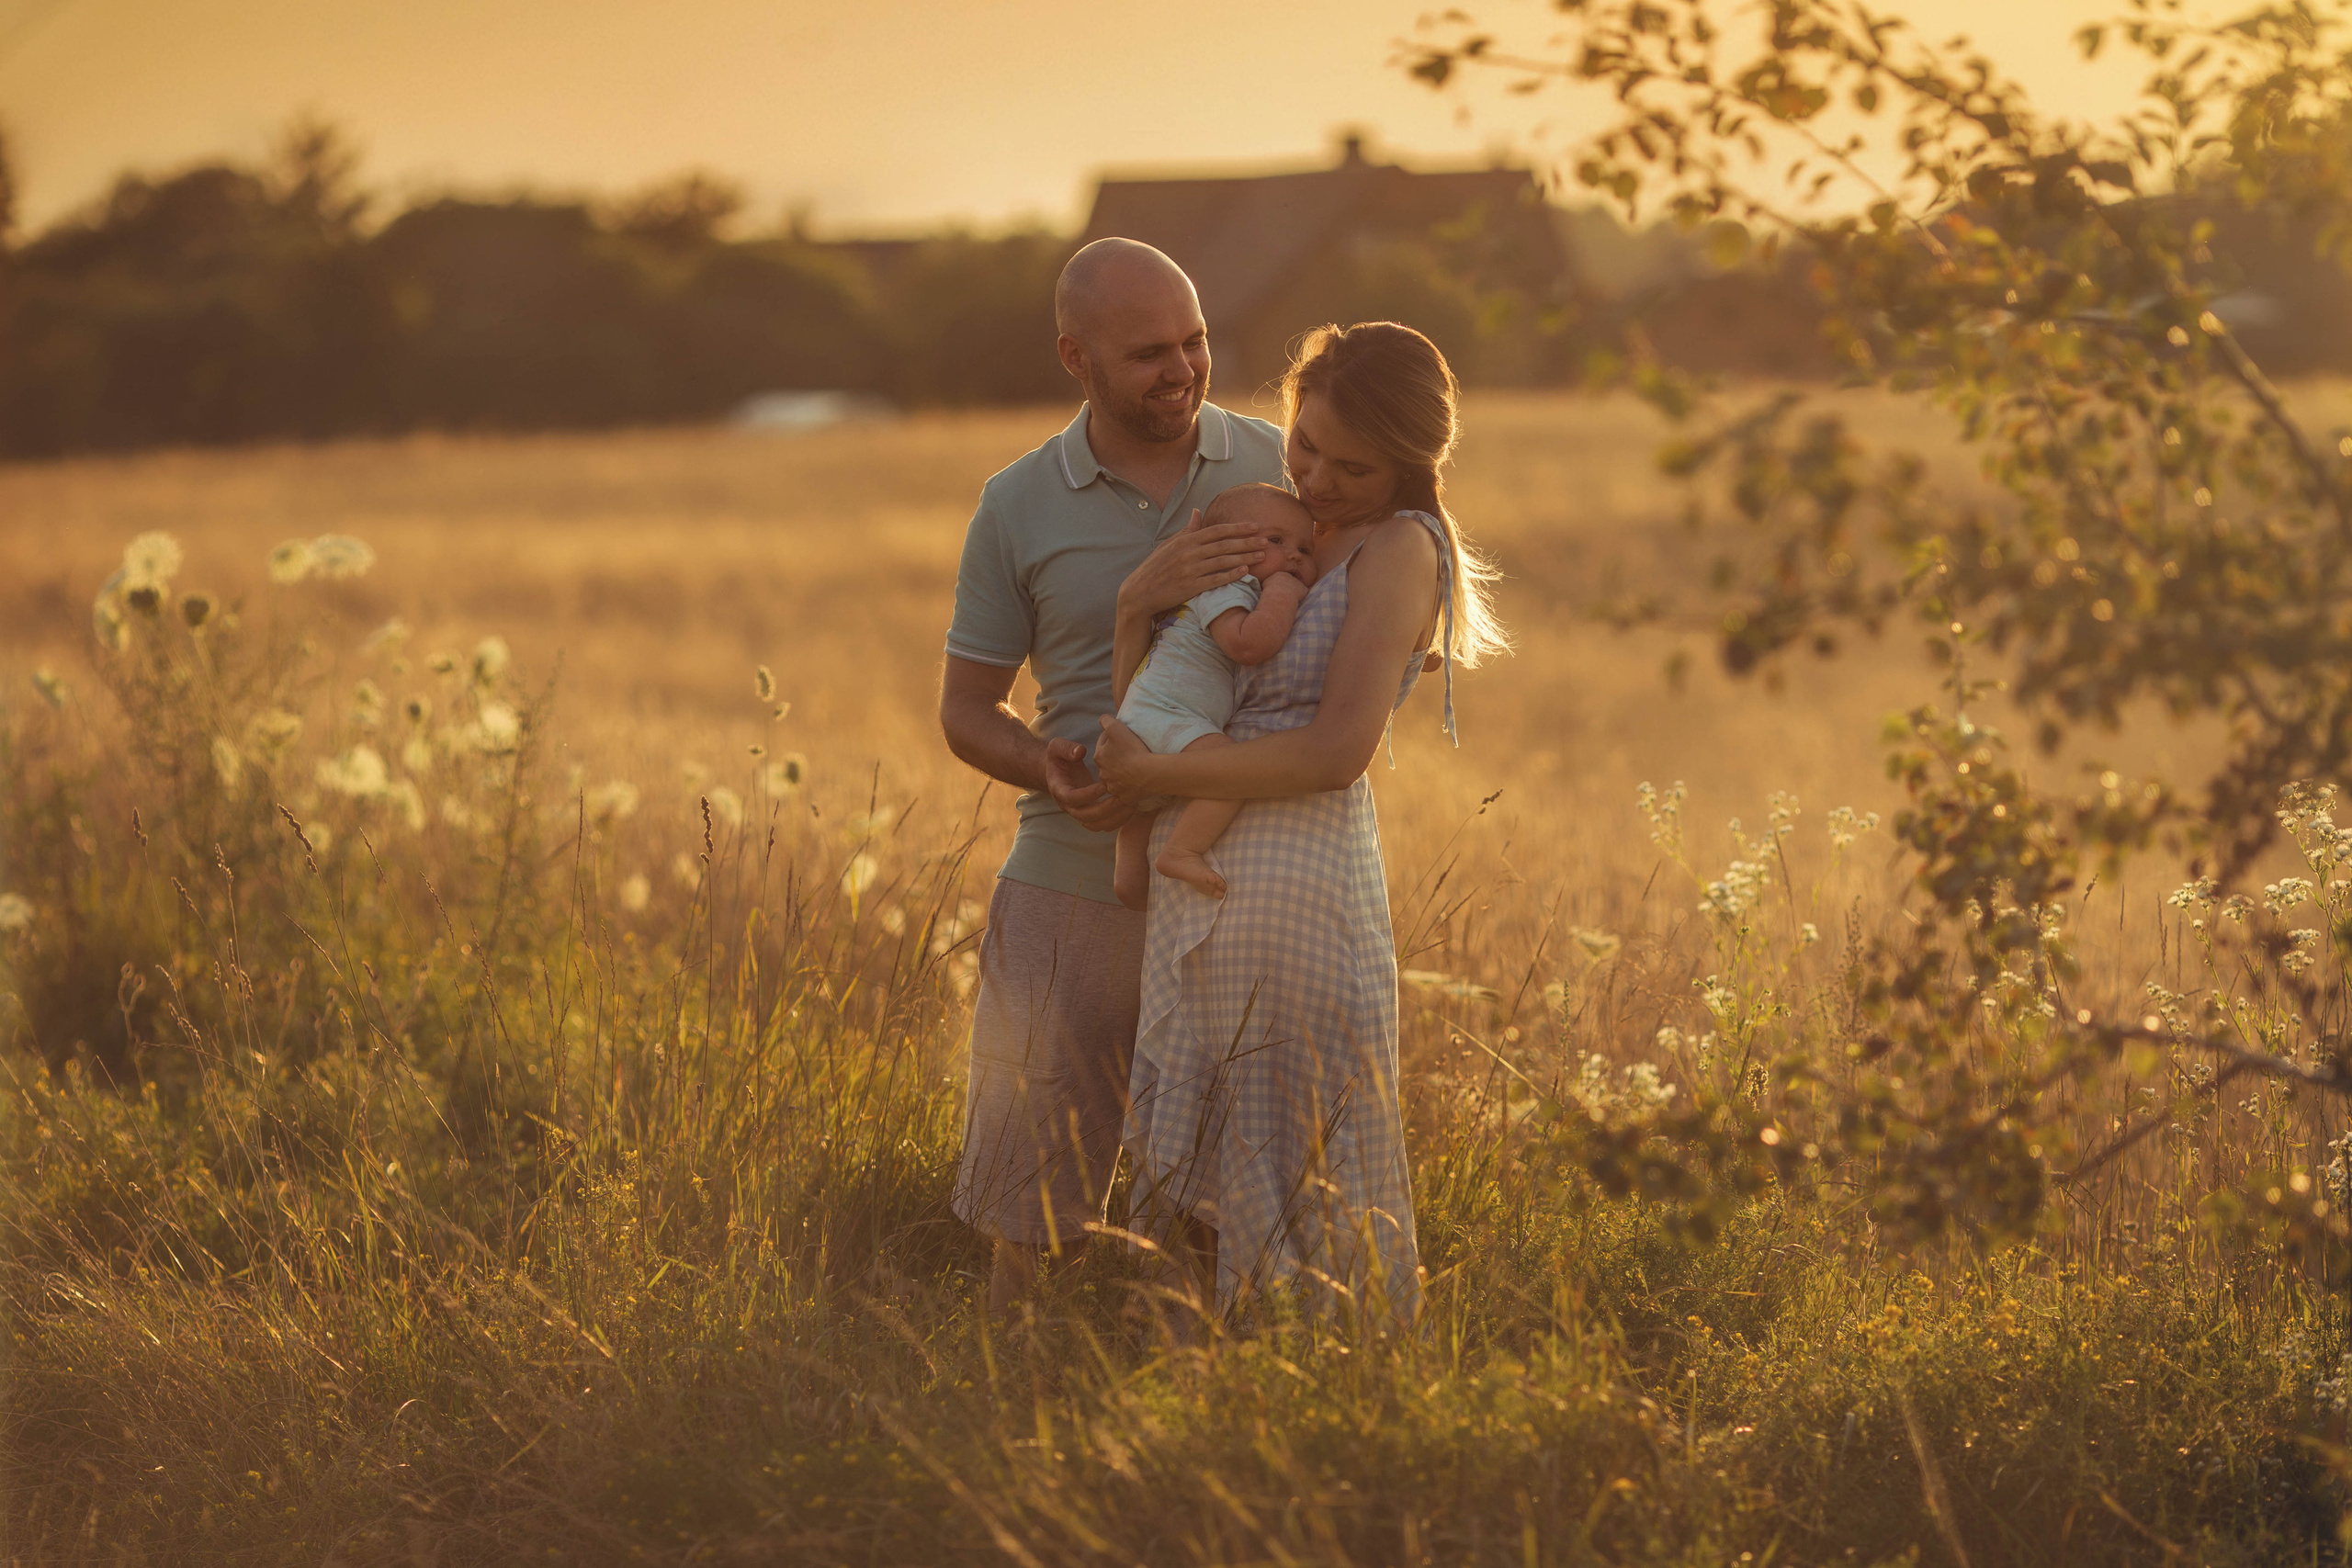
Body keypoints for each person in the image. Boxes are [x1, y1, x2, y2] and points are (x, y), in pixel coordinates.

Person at [1094, 321, 1510, 1325]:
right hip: (1199, 889)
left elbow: (1335, 754)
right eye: (1305, 446)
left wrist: (1151, 775)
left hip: (1298, 887)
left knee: (1297, 1158)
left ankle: (1310, 1392)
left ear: (1414, 461)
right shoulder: (1280, 523)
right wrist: (1126, 621)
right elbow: (1170, 678)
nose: (1318, 479)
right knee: (1192, 1157)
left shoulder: (1402, 547)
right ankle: (1197, 1382)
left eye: (1352, 465)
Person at [936, 237, 1289, 1313]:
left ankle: (1199, 1431)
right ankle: (1004, 1421)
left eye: (1194, 342)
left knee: (1230, 1213)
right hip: (1072, 877)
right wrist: (1045, 767)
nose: (1180, 369)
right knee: (1026, 1209)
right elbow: (964, 709)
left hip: (1250, 875)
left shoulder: (1282, 465)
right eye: (1147, 353)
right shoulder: (1015, 503)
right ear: (1074, 357)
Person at [1109, 483, 1319, 909]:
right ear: (1225, 546)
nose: (1295, 556)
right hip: (1170, 714)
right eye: (1276, 541)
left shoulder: (1220, 591)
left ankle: (1129, 886)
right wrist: (1283, 593)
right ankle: (1181, 851)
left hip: (1147, 716)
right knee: (1229, 770)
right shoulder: (1227, 586)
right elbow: (1247, 645)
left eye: (1305, 548)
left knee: (1140, 814)